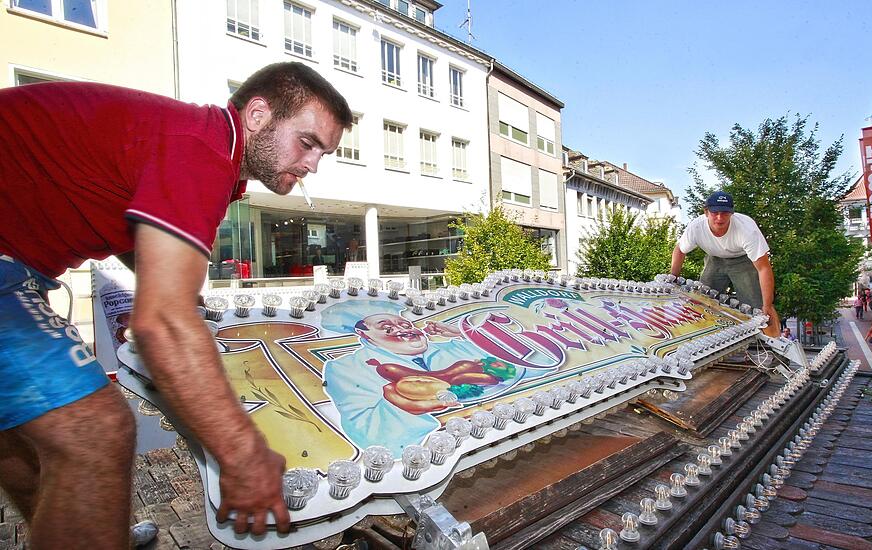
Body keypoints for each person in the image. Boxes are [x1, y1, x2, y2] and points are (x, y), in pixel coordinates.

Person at [0, 62, 353, 545]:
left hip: (18, 261)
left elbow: (137, 241)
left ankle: (88, 532)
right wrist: (243, 454)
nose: (312, 164)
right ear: (256, 114)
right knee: (95, 433)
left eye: (324, 153)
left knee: (20, 439)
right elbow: (163, 324)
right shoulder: (202, 149)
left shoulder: (204, 150)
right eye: (307, 143)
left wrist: (171, 295)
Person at [319, 300, 547, 453]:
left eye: (405, 324)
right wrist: (418, 398)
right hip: (434, 457)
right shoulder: (344, 369)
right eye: (387, 328)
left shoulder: (456, 348)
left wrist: (467, 334)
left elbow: (538, 362)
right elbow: (372, 436)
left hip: (509, 439)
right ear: (363, 334)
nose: (402, 330)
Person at [670, 191, 780, 336]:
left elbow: (764, 268)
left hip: (743, 260)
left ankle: (776, 348)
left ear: (732, 213)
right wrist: (673, 279)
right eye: (715, 213)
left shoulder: (747, 229)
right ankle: (704, 343)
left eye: (725, 213)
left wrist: (766, 304)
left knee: (759, 309)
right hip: (714, 259)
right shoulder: (696, 227)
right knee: (702, 301)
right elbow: (680, 250)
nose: (719, 218)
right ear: (706, 212)